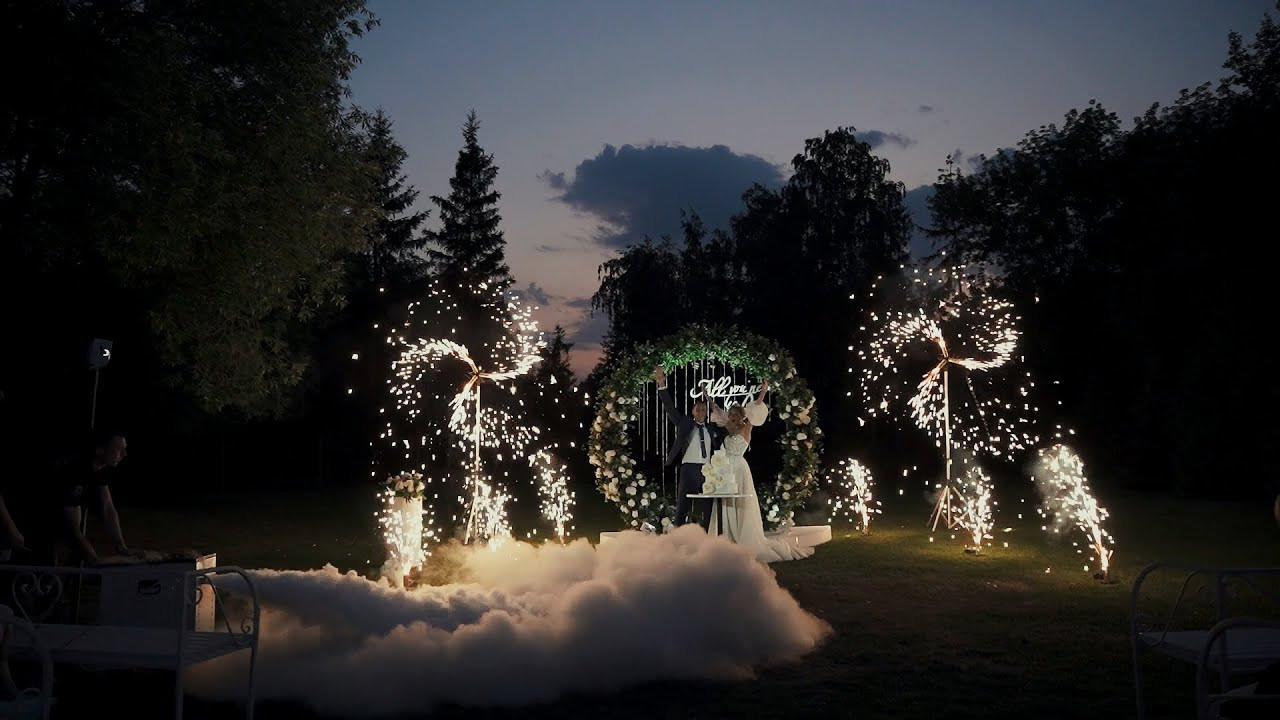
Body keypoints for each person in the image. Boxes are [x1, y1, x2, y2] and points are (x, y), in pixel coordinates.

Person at [707, 379, 813, 563]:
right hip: (726, 470)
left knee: (741, 503)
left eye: (734, 415)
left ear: (741, 416)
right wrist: (706, 396)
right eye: (730, 415)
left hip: (739, 469)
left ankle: (744, 537)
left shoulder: (747, 427)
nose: (731, 418)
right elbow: (716, 409)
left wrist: (763, 391)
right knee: (727, 502)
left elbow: (755, 407)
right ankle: (729, 536)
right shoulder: (728, 429)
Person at [26, 429, 133, 566]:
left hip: (60, 515)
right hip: (34, 516)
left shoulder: (101, 469)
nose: (124, 454)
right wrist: (93, 558)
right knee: (45, 563)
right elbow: (72, 527)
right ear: (100, 451)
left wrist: (121, 546)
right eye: (119, 450)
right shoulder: (74, 471)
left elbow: (107, 509)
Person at [656, 366, 723, 530]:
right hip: (689, 468)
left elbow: (726, 421)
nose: (701, 411)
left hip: (708, 469)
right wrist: (662, 386)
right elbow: (670, 409)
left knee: (708, 503)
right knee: (684, 502)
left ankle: (708, 532)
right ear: (693, 411)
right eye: (698, 409)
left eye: (703, 409)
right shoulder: (685, 423)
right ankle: (678, 532)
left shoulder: (712, 428)